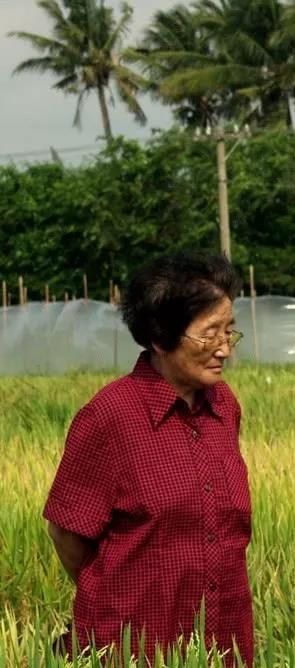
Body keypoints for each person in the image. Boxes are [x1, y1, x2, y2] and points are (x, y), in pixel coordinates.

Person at [44, 253, 253, 666]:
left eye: (229, 332)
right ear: (160, 337)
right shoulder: (110, 416)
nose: (225, 349)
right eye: (210, 335)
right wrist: (118, 592)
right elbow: (66, 531)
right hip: (135, 647)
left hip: (223, 643)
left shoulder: (224, 407)